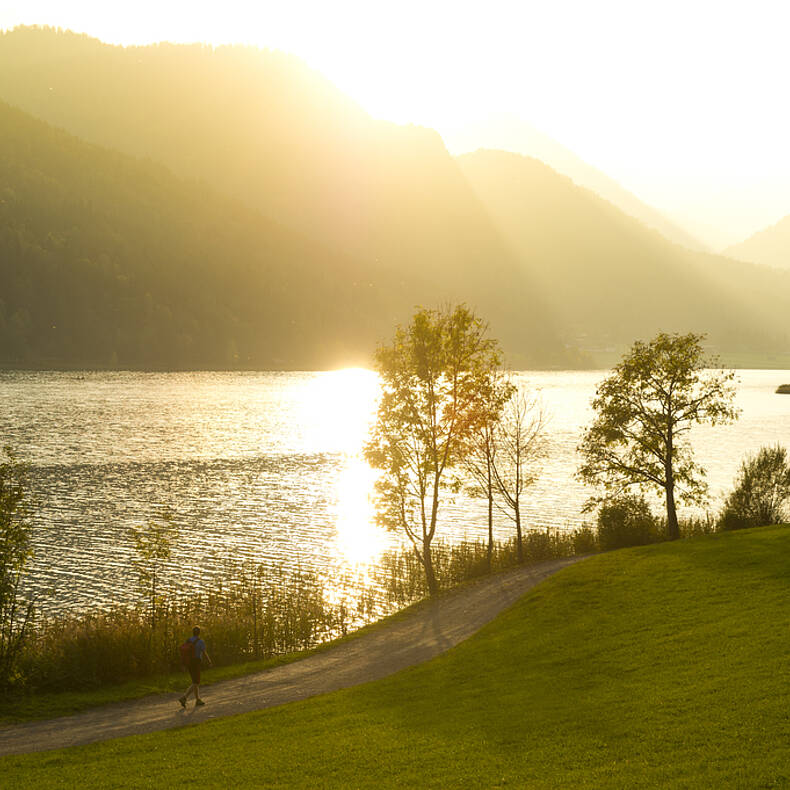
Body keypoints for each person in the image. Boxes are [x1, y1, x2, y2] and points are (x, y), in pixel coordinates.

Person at [179, 626, 213, 708]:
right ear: (199, 633)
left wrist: (183, 664)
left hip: (189, 662)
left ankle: (198, 700)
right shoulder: (201, 642)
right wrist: (209, 661)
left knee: (195, 681)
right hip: (196, 662)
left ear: (193, 632)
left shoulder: (188, 640)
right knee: (196, 682)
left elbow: (184, 652)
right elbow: (204, 652)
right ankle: (184, 697)